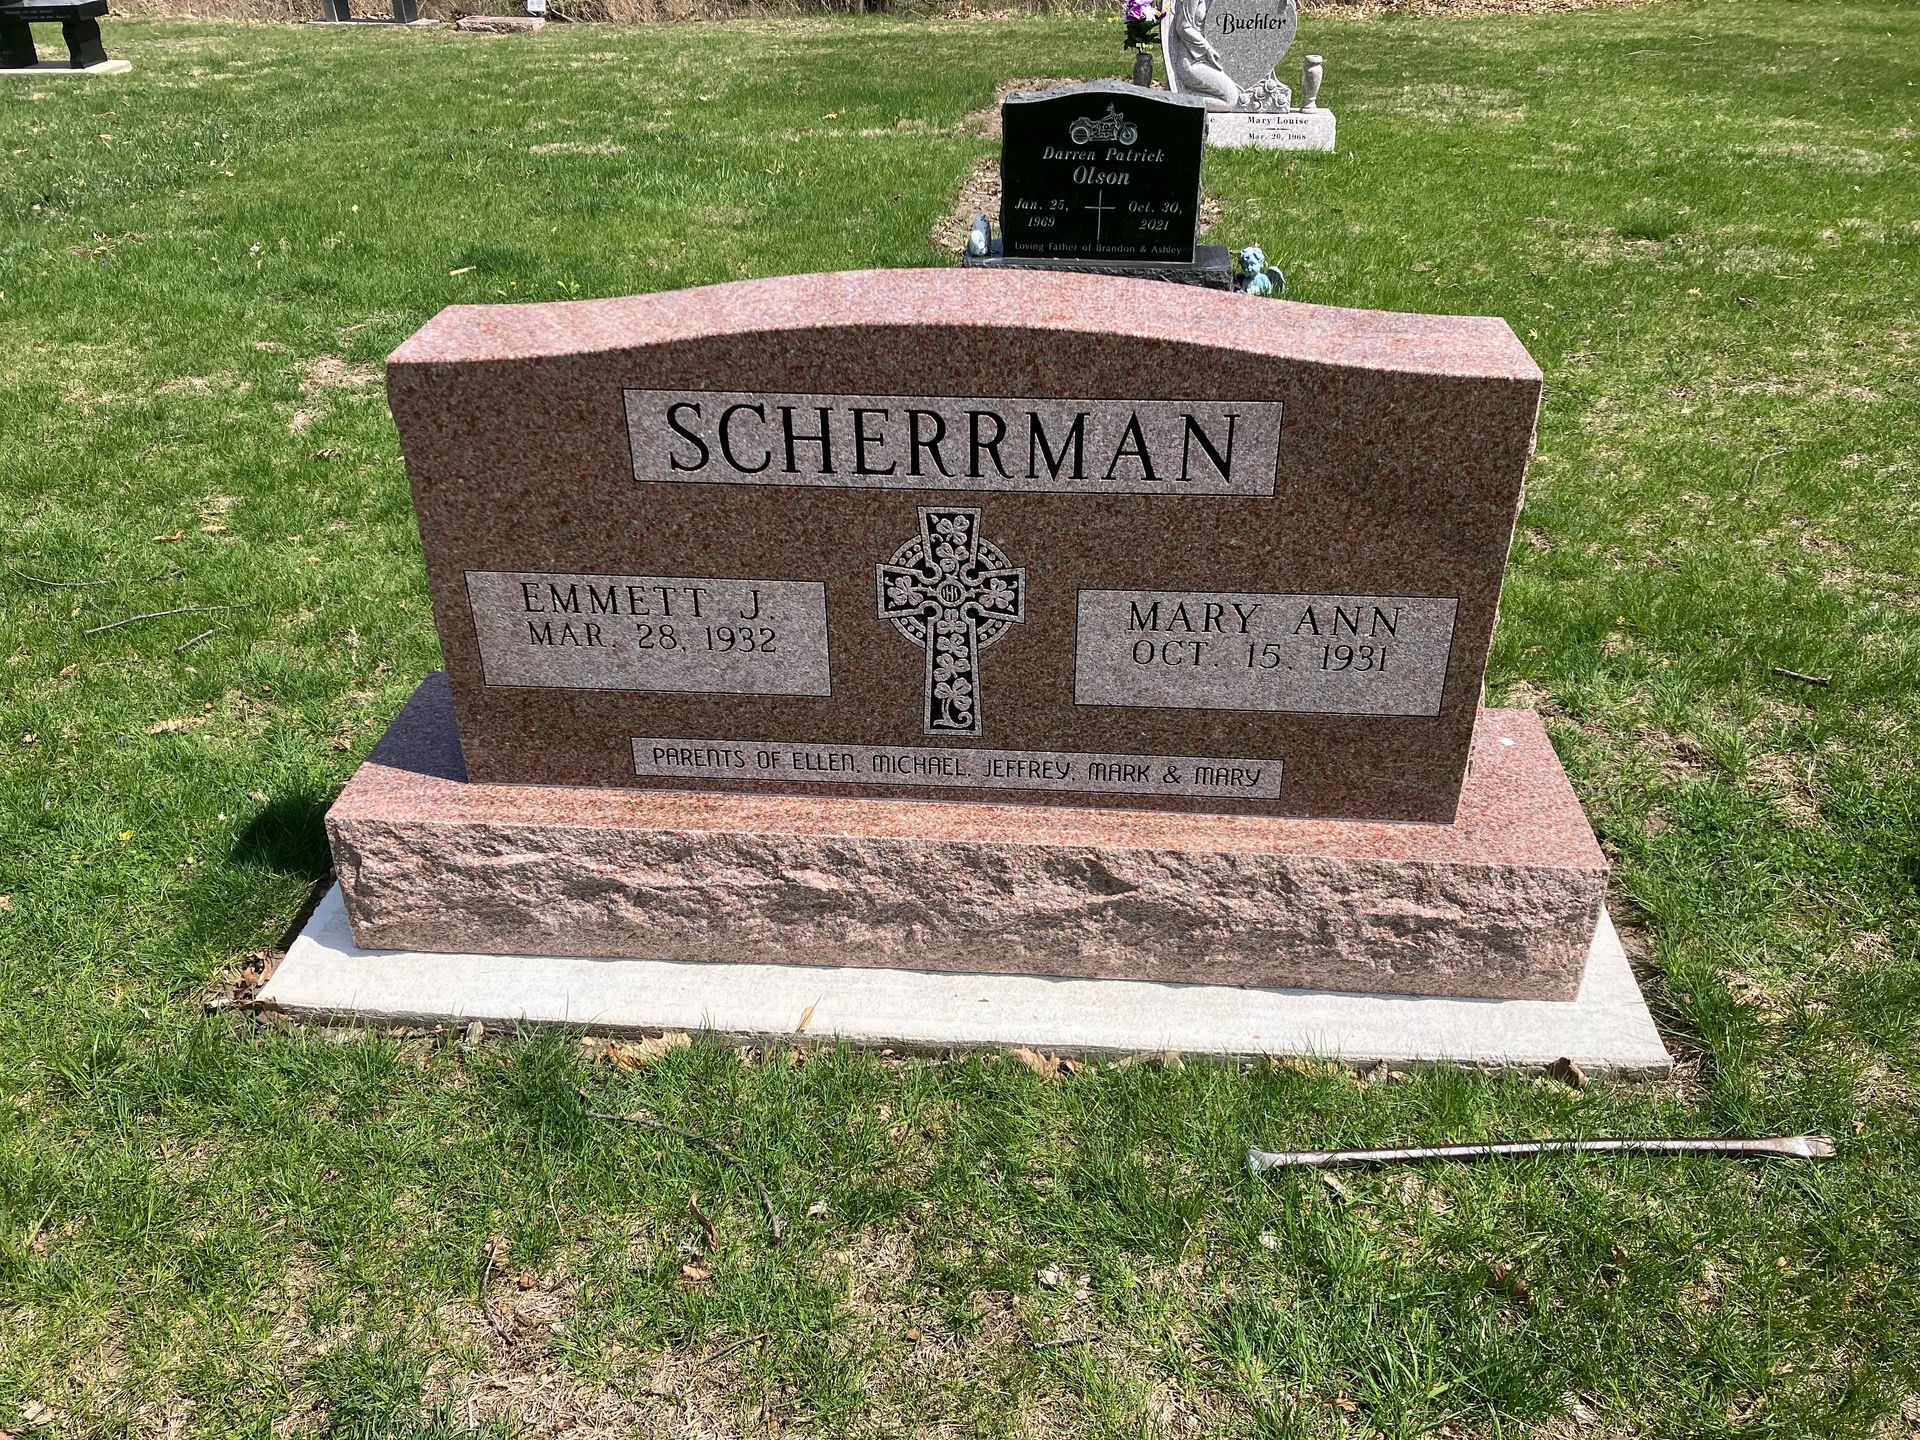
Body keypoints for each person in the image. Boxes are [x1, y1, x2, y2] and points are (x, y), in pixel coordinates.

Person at [1162, 0, 1239, 111]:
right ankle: (1177, 99)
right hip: (1193, 61)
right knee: (1230, 100)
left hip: (1210, 61)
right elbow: (1183, 27)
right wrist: (1206, 48)